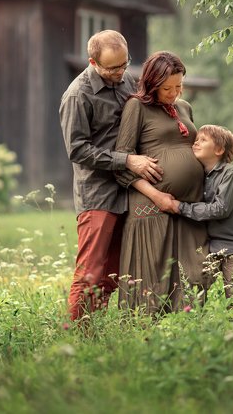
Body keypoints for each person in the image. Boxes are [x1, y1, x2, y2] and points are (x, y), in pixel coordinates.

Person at [59, 30, 163, 323]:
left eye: (124, 64)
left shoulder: (128, 79)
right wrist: (128, 160)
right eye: (112, 68)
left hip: (128, 189)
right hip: (98, 194)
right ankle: (77, 334)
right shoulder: (78, 95)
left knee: (114, 270)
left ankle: (95, 328)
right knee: (90, 270)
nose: (120, 73)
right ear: (93, 62)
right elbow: (78, 150)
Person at [113, 51, 210, 313]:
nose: (174, 93)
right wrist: (158, 196)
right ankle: (146, 331)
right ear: (153, 83)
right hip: (152, 205)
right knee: (154, 276)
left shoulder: (185, 108)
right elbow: (122, 164)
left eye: (179, 86)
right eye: (167, 87)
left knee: (195, 273)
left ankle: (187, 329)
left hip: (188, 207)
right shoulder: (137, 107)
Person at [164, 125, 233, 319]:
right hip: (212, 246)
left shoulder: (229, 173)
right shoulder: (199, 176)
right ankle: (192, 324)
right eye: (196, 139)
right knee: (195, 283)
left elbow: (220, 208)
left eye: (203, 140)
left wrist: (181, 207)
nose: (196, 142)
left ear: (219, 150)